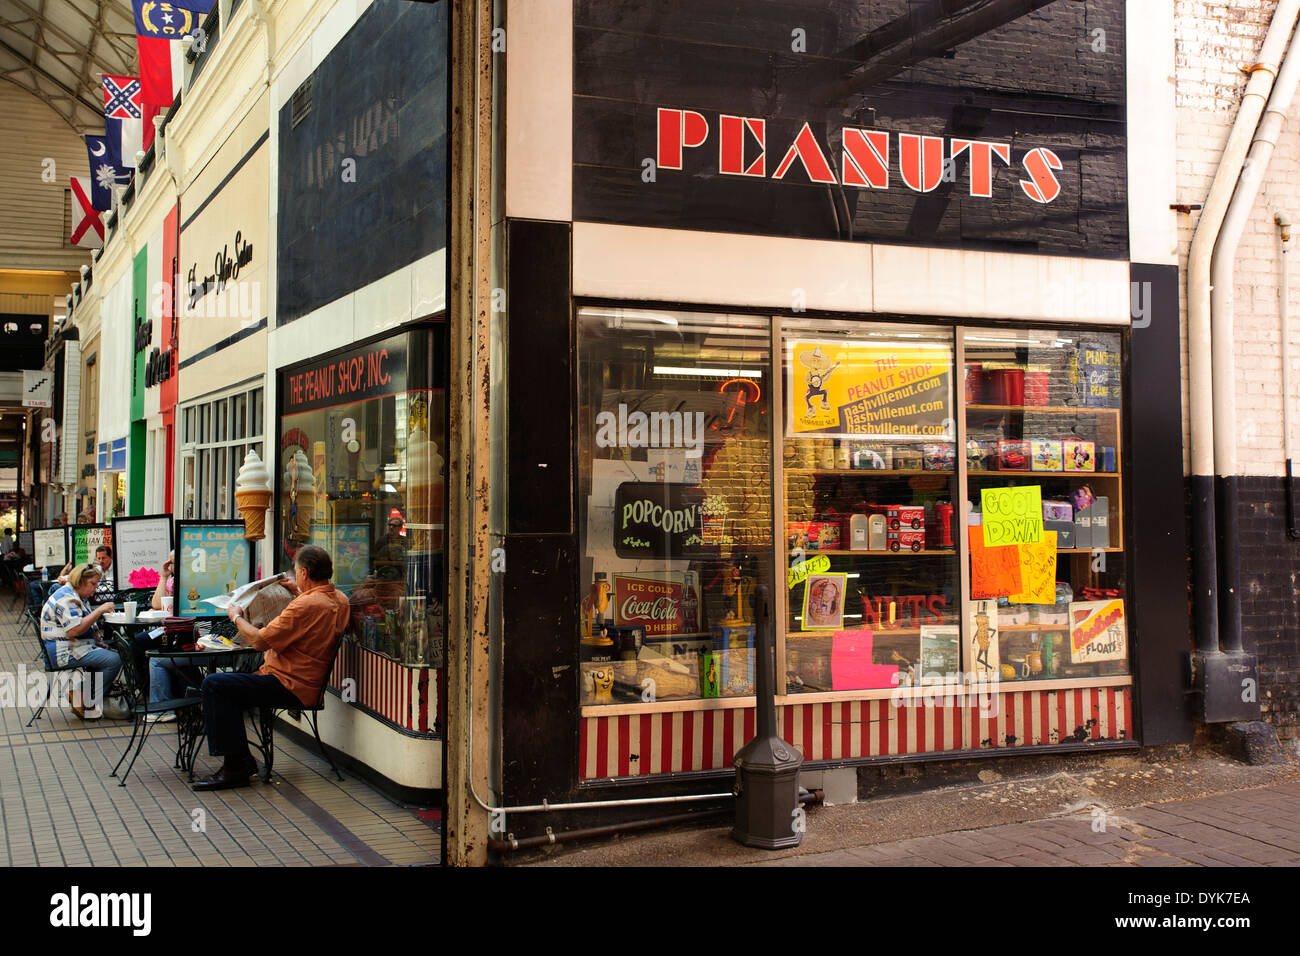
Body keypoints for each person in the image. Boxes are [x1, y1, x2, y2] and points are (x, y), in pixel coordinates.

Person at [194, 545, 349, 791]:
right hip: (304, 682)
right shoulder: (340, 599)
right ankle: (240, 758)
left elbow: (259, 641)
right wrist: (297, 592)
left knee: (214, 684)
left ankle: (236, 766)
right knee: (228, 686)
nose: (295, 576)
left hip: (289, 684)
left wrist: (235, 616)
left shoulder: (305, 605)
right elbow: (315, 614)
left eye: (297, 572)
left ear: (305, 573)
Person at [39, 564, 121, 719]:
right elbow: (75, 630)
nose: (96, 588)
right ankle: (84, 699)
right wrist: (99, 611)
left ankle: (81, 694)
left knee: (115, 654)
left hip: (73, 646)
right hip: (62, 652)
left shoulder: (75, 595)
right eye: (93, 584)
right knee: (114, 660)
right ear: (80, 581)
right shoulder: (67, 599)